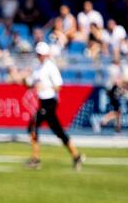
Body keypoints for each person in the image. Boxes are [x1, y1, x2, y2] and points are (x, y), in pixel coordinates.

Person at [20, 42, 84, 170]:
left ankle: (36, 158)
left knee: (33, 125)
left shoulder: (50, 67)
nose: (40, 56)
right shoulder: (38, 67)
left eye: (42, 54)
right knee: (58, 131)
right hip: (43, 101)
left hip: (50, 101)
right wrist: (23, 80)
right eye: (38, 54)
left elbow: (59, 86)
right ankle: (76, 155)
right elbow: (31, 83)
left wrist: (45, 86)